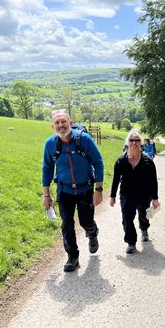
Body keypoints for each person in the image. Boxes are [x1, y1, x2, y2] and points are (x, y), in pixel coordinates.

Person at [42, 109, 104, 272]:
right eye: (57, 122)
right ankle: (73, 257)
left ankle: (92, 233)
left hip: (85, 189)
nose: (61, 125)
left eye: (64, 121)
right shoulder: (50, 144)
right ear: (52, 126)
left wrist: (98, 189)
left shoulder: (84, 139)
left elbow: (98, 162)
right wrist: (46, 195)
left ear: (71, 123)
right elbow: (47, 169)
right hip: (64, 190)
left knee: (85, 221)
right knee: (67, 224)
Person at [110, 129, 160, 254]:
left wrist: (155, 198)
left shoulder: (148, 161)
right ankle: (131, 242)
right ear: (127, 143)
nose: (134, 143)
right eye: (131, 140)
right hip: (127, 194)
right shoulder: (121, 161)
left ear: (141, 143)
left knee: (143, 215)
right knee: (127, 218)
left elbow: (153, 180)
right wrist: (112, 196)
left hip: (144, 194)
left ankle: (144, 228)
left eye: (137, 140)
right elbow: (116, 179)